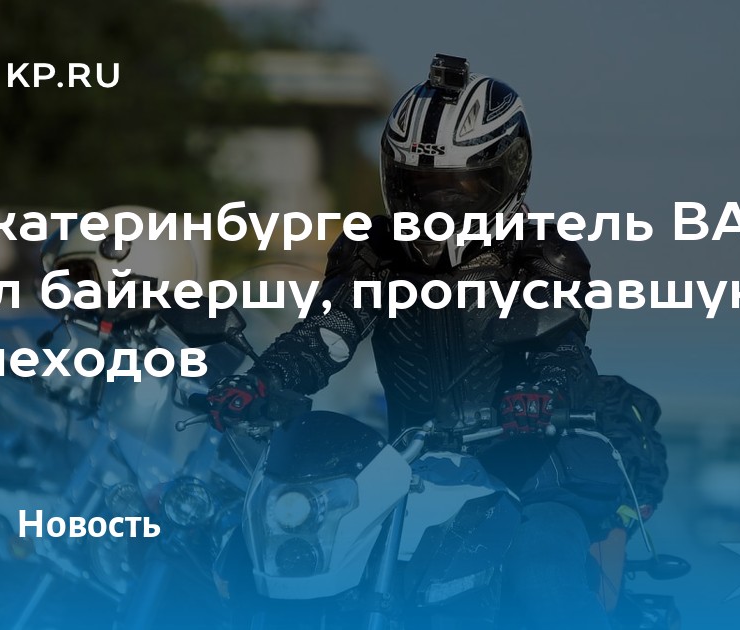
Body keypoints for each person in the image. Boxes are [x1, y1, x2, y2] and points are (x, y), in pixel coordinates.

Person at [207, 54, 635, 628]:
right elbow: (326, 334)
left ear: (511, 170)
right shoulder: (373, 253)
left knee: (542, 576)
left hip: (527, 468)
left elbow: (562, 352)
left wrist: (542, 394)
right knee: (264, 560)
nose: (437, 208)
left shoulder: (541, 256)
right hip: (407, 468)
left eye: (459, 189)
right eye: (420, 188)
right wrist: (263, 382)